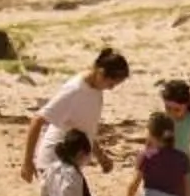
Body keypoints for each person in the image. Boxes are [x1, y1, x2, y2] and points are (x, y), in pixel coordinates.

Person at [20, 48, 129, 182]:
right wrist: (27, 162)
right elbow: (37, 120)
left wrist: (100, 156)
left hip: (71, 165)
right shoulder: (74, 91)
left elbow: (83, 128)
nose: (111, 88)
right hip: (54, 164)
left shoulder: (95, 90)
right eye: (111, 84)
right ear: (101, 73)